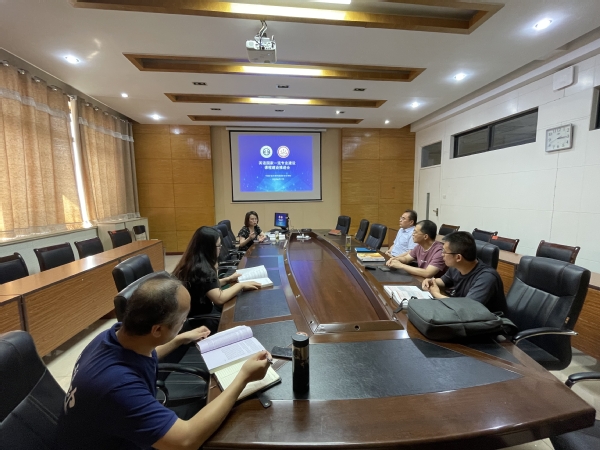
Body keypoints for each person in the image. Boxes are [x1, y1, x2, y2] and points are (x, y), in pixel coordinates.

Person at [55, 275, 271, 450]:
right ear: (157, 329)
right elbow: (186, 441)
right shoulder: (117, 386)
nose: (184, 323)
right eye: (182, 320)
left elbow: (144, 354)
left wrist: (179, 338)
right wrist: (243, 377)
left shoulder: (111, 337)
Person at [172, 226, 261, 320]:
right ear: (208, 248)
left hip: (194, 311)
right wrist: (241, 285)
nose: (220, 249)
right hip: (202, 318)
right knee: (241, 312)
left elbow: (208, 285)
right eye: (218, 246)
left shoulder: (192, 261)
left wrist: (228, 279)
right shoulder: (203, 269)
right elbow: (219, 298)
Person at [421, 231, 506, 312]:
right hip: (463, 315)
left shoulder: (487, 277)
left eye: (444, 252)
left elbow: (467, 307)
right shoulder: (456, 267)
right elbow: (443, 281)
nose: (441, 254)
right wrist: (431, 281)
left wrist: (437, 294)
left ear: (458, 257)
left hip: (488, 320)